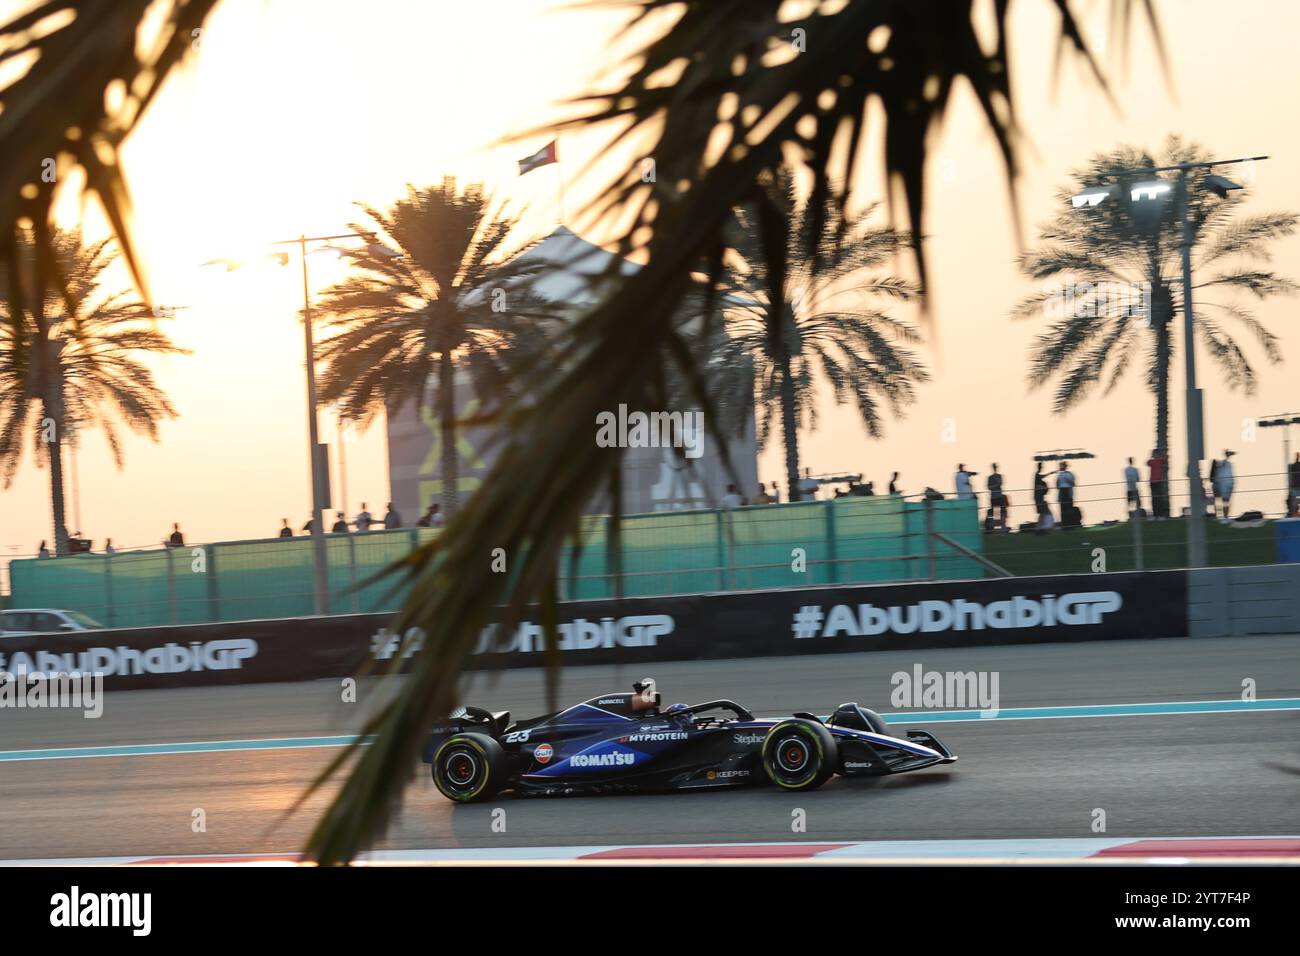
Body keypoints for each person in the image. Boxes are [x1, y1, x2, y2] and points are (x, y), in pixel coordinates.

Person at [1213, 450, 1235, 519]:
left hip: (1226, 485)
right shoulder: (1221, 463)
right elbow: (1221, 464)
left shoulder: (1228, 464)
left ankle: (1225, 517)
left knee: (1225, 501)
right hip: (1221, 485)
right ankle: (1218, 516)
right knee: (1219, 501)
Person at [1148, 448, 1169, 519]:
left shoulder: (1161, 460)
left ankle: (1161, 515)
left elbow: (1165, 459)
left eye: (1155, 454)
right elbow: (1147, 462)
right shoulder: (1151, 461)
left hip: (1159, 482)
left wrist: (1161, 455)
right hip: (1152, 482)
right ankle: (1155, 515)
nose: (1154, 455)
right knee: (1154, 499)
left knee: (1159, 499)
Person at [987, 463, 1008, 528]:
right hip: (994, 497)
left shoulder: (999, 476)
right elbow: (989, 487)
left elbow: (1001, 483)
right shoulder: (990, 477)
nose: (995, 468)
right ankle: (996, 527)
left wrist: (996, 485)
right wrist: (996, 485)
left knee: (1002, 512)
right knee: (995, 514)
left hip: (999, 496)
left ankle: (1002, 527)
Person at [1056, 461, 1076, 526]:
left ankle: (1070, 523)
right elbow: (1057, 485)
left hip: (1068, 492)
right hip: (1062, 492)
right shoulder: (1059, 475)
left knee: (1069, 508)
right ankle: (1064, 524)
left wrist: (1067, 480)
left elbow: (1073, 484)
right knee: (1062, 509)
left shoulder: (1069, 474)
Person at [1033, 462, 1050, 527]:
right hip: (1038, 497)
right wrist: (1045, 487)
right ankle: (1039, 525)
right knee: (1042, 511)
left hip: (1040, 497)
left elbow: (1042, 476)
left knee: (1042, 512)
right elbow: (1038, 486)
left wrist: (1050, 473)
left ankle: (1040, 525)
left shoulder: (1038, 475)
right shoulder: (1036, 475)